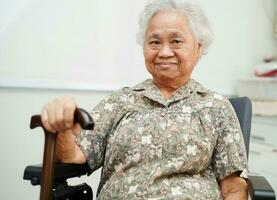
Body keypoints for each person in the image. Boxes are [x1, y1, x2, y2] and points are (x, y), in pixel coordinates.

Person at [41, 0, 248, 199]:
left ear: (198, 47)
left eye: (176, 41)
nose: (164, 52)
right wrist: (63, 128)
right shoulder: (120, 102)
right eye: (154, 42)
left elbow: (233, 189)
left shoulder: (216, 106)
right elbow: (73, 156)